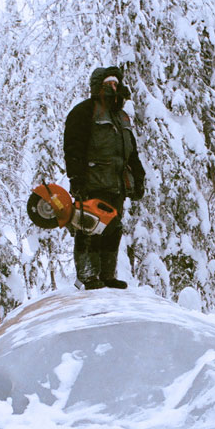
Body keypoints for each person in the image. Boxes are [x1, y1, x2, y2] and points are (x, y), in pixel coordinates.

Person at [63, 66, 146, 290]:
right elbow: (73, 149)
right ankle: (87, 276)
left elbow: (131, 153)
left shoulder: (121, 117)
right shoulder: (84, 112)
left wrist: (139, 177)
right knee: (89, 227)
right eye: (108, 83)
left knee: (113, 228)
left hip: (117, 185)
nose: (113, 87)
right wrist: (76, 180)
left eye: (116, 83)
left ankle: (107, 275)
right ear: (97, 86)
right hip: (92, 183)